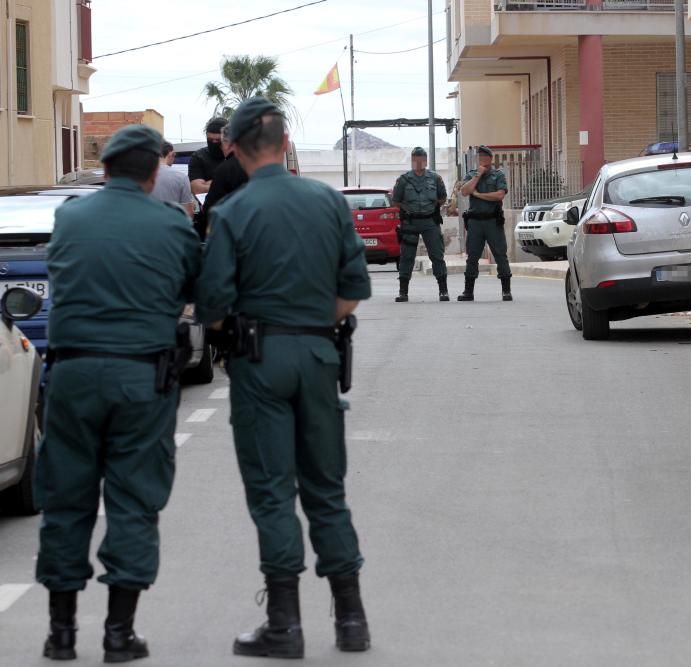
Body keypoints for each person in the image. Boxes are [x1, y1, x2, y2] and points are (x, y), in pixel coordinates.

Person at [195, 97, 372, 660]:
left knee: (273, 492)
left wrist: (244, 330)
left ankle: (285, 625)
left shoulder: (232, 212)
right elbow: (353, 291)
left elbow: (214, 305)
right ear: (286, 143)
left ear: (237, 147)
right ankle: (351, 619)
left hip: (259, 360)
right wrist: (313, 324)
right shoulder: (327, 202)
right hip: (319, 355)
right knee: (327, 489)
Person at [35, 125, 201, 663]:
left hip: (71, 374)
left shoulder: (70, 216)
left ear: (104, 170)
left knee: (65, 498)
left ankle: (60, 634)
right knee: (133, 499)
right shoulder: (171, 225)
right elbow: (195, 291)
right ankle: (118, 634)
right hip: (141, 377)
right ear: (156, 173)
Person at [391, 146, 449, 302]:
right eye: (415, 159)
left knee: (437, 255)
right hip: (410, 223)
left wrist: (431, 206)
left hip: (430, 221)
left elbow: (443, 197)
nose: (418, 162)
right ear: (412, 161)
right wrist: (407, 209)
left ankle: (443, 291)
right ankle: (403, 292)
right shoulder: (403, 180)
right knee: (407, 256)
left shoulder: (435, 178)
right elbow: (395, 200)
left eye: (421, 159)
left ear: (425, 161)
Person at [458, 145, 512, 302]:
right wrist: (478, 176)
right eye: (480, 157)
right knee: (472, 256)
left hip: (492, 221)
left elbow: (499, 195)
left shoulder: (498, 175)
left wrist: (479, 195)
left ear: (490, 159)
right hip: (475, 222)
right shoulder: (471, 174)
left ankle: (506, 290)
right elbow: (464, 191)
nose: (482, 159)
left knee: (500, 255)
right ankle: (468, 291)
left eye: (485, 157)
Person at [189, 117, 228, 239]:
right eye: (210, 140)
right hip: (208, 219)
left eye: (218, 140)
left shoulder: (238, 156)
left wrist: (209, 183)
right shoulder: (199, 156)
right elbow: (197, 189)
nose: (214, 143)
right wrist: (225, 182)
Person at [202, 124, 249, 225]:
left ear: (228, 144)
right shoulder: (256, 164)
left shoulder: (225, 170)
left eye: (221, 144)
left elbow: (211, 207)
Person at [150, 141, 196, 218]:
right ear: (172, 154)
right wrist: (192, 206)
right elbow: (188, 214)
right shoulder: (182, 177)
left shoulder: (140, 175)